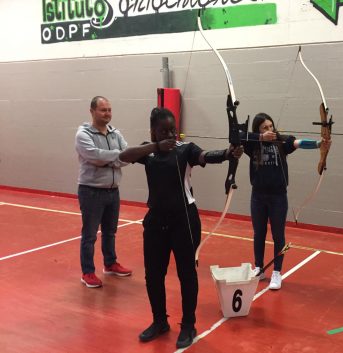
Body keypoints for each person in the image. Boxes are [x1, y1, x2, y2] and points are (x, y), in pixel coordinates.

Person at [119, 107, 243, 349]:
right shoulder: (148, 151)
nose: (170, 134)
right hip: (155, 221)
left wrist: (229, 153)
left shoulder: (186, 149)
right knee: (153, 275)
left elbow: (206, 156)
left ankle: (188, 325)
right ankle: (159, 321)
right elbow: (124, 155)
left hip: (184, 221)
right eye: (164, 131)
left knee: (187, 274)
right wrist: (156, 146)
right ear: (153, 131)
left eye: (173, 130)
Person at [240, 113, 331, 290]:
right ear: (258, 131)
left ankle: (277, 272)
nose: (269, 130)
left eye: (270, 126)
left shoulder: (281, 142)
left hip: (278, 197)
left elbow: (298, 143)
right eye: (264, 128)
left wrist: (319, 144)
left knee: (278, 235)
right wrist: (259, 137)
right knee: (258, 233)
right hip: (258, 196)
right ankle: (259, 268)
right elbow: (237, 137)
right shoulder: (252, 145)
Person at [75, 96, 132, 289]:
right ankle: (88, 272)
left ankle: (110, 264)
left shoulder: (115, 133)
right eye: (103, 110)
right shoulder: (83, 134)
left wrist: (111, 158)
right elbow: (95, 156)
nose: (107, 113)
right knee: (90, 234)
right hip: (91, 192)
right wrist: (116, 157)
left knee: (110, 232)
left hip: (113, 191)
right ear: (92, 111)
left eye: (109, 109)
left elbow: (128, 155)